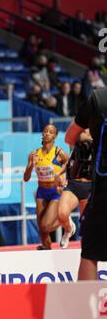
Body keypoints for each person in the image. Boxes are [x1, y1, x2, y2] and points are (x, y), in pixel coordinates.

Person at [65, 88, 107, 280]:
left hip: (103, 191)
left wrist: (90, 136)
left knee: (90, 255)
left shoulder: (99, 98)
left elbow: (70, 137)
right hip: (86, 185)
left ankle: (86, 309)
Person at [23, 124, 68, 250]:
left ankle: (65, 221)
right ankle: (47, 249)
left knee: (45, 226)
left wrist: (63, 177)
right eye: (45, 131)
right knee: (42, 230)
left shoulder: (59, 153)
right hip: (41, 191)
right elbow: (25, 178)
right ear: (42, 134)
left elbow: (70, 166)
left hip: (55, 191)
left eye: (51, 132)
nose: (47, 133)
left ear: (55, 136)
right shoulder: (34, 154)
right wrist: (31, 164)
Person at [57, 129, 93, 249]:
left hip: (90, 187)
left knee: (86, 228)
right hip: (73, 185)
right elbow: (72, 136)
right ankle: (68, 229)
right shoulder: (75, 140)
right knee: (62, 214)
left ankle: (84, 259)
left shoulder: (100, 144)